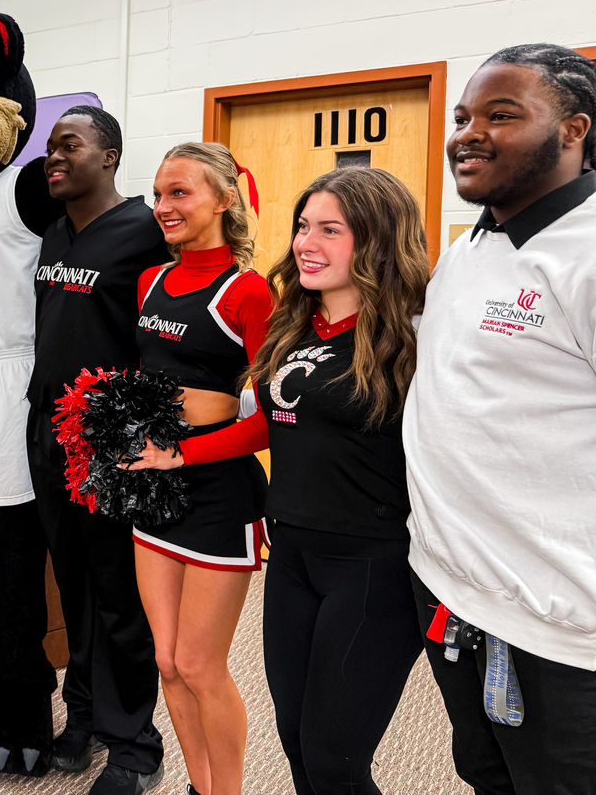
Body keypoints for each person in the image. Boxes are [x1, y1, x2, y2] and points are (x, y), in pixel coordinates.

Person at [162, 168, 428, 794]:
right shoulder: (293, 324)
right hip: (292, 556)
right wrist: (182, 452)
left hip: (373, 563)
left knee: (336, 760)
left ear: (379, 242)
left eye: (331, 230)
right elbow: (271, 429)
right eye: (304, 227)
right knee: (299, 744)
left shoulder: (414, 337)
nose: (308, 242)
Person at [405, 44, 596, 793]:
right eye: (462, 117)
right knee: (487, 775)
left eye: (501, 115)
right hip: (454, 589)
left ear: (575, 130)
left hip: (559, 623)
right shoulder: (470, 245)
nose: (467, 133)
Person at [26, 107, 169, 794]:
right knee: (73, 584)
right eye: (51, 147)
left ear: (108, 156)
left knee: (118, 594)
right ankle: (80, 718)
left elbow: (166, 340)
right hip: (49, 430)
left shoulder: (145, 231)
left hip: (113, 436)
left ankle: (135, 743)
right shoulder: (54, 233)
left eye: (69, 145)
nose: (54, 156)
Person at [122, 143, 271, 795]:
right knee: (167, 662)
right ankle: (200, 785)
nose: (163, 206)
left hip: (218, 491)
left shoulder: (249, 292)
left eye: (180, 192)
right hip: (154, 488)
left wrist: (187, 451)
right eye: (158, 193)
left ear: (225, 197)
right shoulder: (149, 282)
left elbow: (274, 419)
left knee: (201, 665)